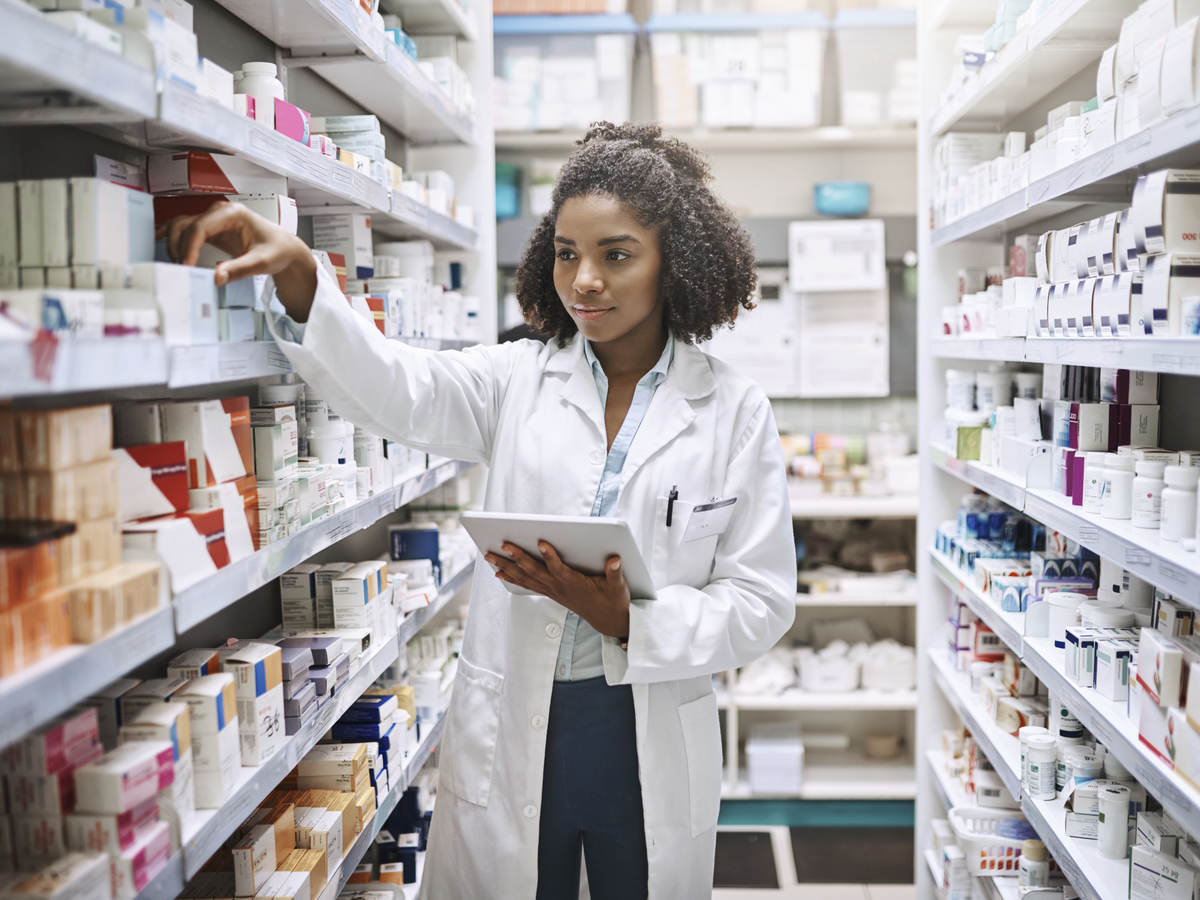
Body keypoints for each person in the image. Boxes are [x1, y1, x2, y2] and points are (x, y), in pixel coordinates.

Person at [160, 121, 796, 899]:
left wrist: (628, 620)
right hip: (519, 726)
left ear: (676, 264)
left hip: (645, 728)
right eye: (567, 253)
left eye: (616, 255)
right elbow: (400, 388)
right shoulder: (516, 379)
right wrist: (303, 279)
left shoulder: (732, 409)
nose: (585, 280)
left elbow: (761, 600)